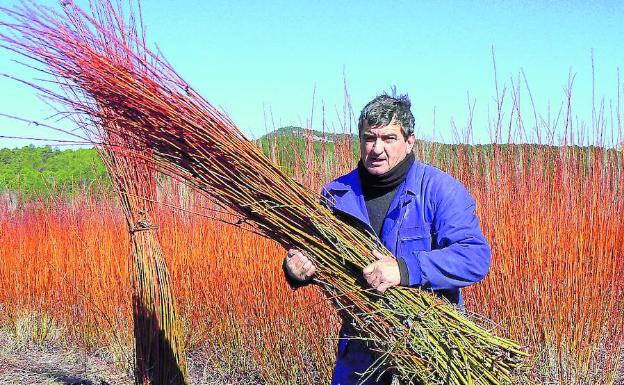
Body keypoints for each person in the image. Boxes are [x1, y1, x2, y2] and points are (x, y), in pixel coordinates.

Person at [283, 94, 491, 385]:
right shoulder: (335, 196)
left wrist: (405, 270)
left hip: (430, 347)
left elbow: (474, 258)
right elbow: (312, 254)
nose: (377, 148)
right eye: (369, 138)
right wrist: (296, 268)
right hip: (361, 348)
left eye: (388, 138)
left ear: (410, 141)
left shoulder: (440, 190)